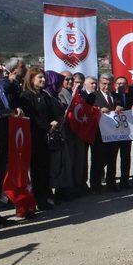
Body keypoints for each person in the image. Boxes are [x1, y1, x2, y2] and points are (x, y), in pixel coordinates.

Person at [0, 53, 24, 226]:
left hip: (3, 138)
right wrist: (6, 112)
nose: (1, 67)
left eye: (1, 64)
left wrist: (10, 111)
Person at [19, 67, 59, 210]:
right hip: (34, 138)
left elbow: (54, 111)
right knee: (37, 170)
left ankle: (47, 196)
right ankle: (39, 199)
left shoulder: (45, 95)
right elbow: (32, 117)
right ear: (31, 79)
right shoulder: (25, 96)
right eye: (40, 77)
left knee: (46, 168)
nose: (43, 80)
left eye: (44, 77)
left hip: (47, 137)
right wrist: (48, 126)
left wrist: (55, 121)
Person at [44, 71, 73, 202]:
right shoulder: (46, 96)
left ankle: (62, 191)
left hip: (60, 134)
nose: (62, 84)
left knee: (62, 163)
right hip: (52, 134)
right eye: (59, 81)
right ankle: (49, 194)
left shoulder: (54, 95)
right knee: (53, 164)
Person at [91, 74, 121, 192]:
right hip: (99, 134)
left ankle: (111, 183)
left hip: (113, 133)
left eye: (109, 84)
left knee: (112, 159)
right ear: (99, 84)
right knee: (97, 160)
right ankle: (95, 185)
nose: (106, 86)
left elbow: (120, 109)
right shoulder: (93, 96)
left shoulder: (116, 96)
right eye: (104, 84)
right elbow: (88, 112)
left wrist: (119, 107)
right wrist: (98, 110)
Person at [113, 76, 133, 189]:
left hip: (127, 132)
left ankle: (124, 181)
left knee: (125, 157)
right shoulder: (111, 96)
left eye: (124, 83)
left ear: (127, 86)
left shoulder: (131, 97)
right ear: (115, 85)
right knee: (112, 157)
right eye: (119, 83)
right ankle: (111, 181)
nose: (121, 85)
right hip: (112, 132)